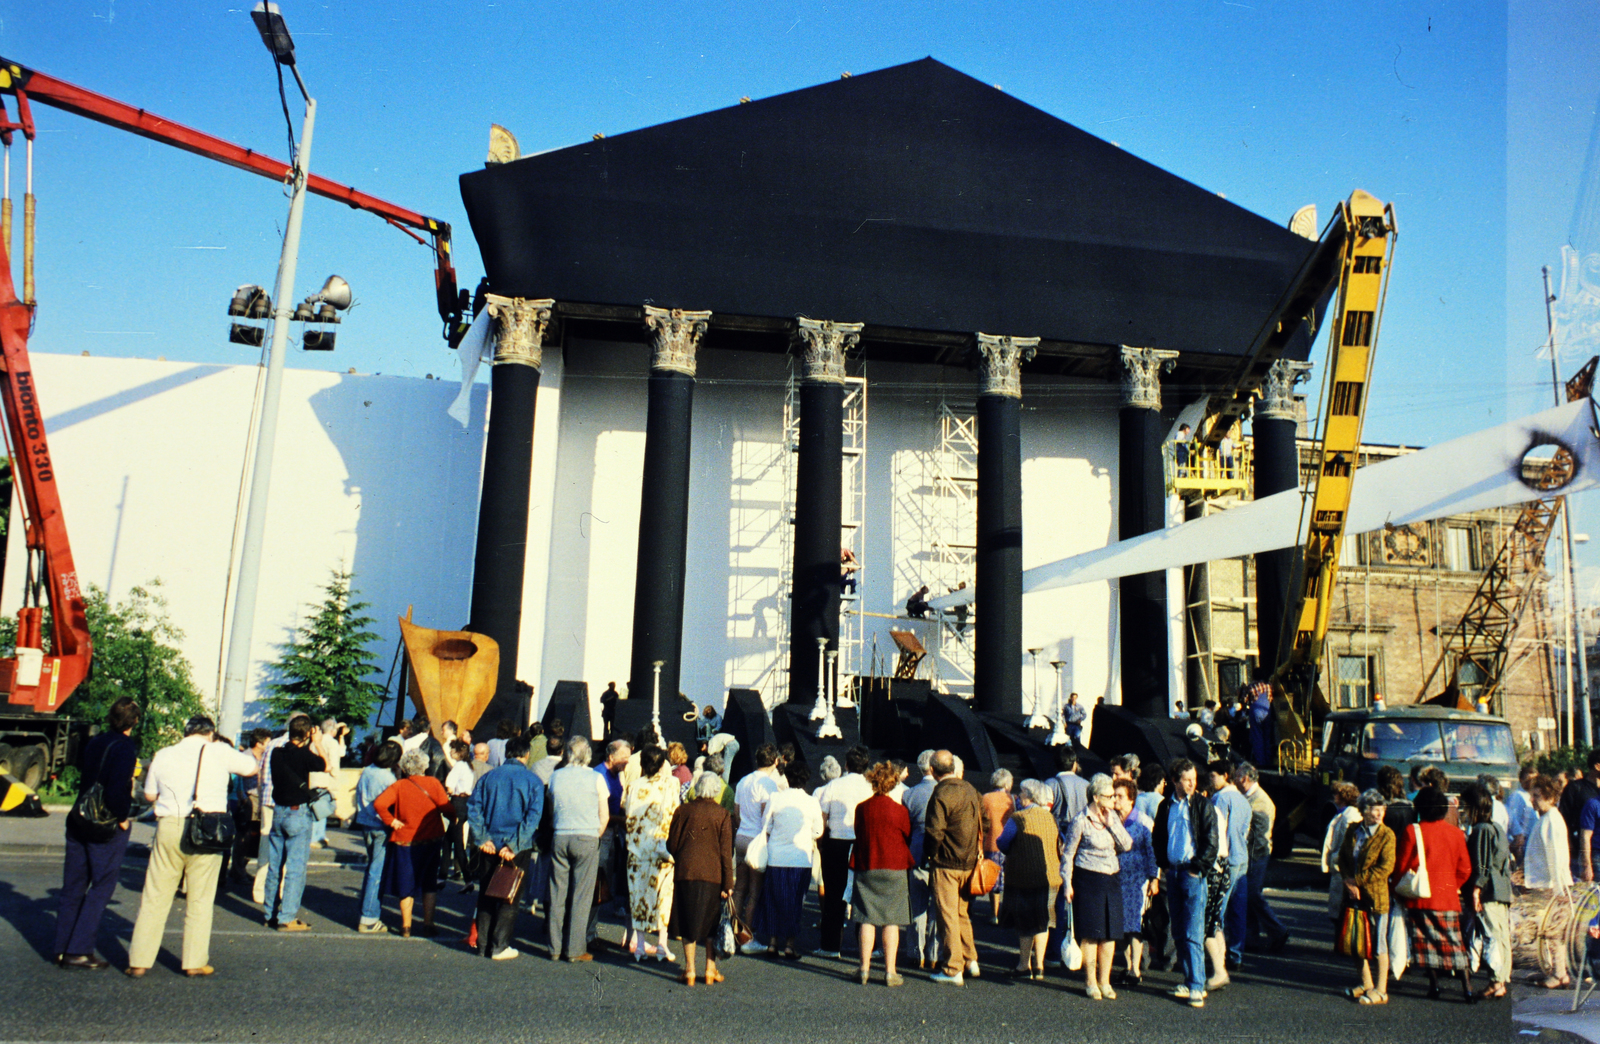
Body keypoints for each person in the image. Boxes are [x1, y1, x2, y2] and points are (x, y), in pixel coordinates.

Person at [125, 715, 259, 978]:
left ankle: (139, 961)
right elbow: (251, 768)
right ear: (210, 733)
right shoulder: (218, 750)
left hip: (169, 825)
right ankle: (193, 962)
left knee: (155, 896)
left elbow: (150, 795)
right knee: (200, 897)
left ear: (185, 732)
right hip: (208, 827)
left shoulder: (164, 754)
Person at [55, 696, 141, 970]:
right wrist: (123, 818)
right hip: (103, 824)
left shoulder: (96, 742)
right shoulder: (127, 748)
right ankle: (79, 949)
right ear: (135, 721)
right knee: (102, 886)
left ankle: (62, 947)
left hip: (78, 818)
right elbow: (117, 791)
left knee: (73, 886)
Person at [1392, 787, 1475, 1002]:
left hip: (1420, 897)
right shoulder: (1456, 833)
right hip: (1447, 897)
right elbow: (1465, 868)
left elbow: (1401, 866)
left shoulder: (1413, 831)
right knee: (1455, 944)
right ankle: (1467, 989)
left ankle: (1435, 986)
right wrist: (1451, 885)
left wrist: (1397, 890)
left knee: (1425, 944)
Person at [467, 733, 544, 960]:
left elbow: (474, 809)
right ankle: (499, 945)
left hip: (490, 842)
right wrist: (515, 844)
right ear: (527, 754)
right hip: (516, 846)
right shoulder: (533, 781)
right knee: (509, 896)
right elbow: (533, 817)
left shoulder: (488, 777)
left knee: (487, 893)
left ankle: (482, 945)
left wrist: (482, 838)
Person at [1152, 758, 1218, 1009]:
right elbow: (1157, 837)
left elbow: (1211, 842)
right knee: (1178, 930)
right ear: (1175, 781)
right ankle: (1189, 980)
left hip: (1191, 874)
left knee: (1193, 931)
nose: (1192, 784)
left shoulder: (1202, 805)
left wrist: (1196, 869)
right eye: (1187, 779)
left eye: (1194, 779)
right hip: (1173, 872)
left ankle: (1197, 986)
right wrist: (1164, 865)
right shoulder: (1166, 806)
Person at [1061, 774, 1134, 1000]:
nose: (1113, 800)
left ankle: (1105, 980)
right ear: (1095, 796)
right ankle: (1090, 981)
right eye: (1109, 796)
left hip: (1111, 879)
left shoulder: (1113, 817)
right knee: (1091, 935)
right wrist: (1067, 884)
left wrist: (1112, 825)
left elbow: (1127, 845)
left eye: (1114, 796)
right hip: (1087, 879)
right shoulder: (1080, 820)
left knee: (1110, 935)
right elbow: (1068, 855)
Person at [373, 747, 453, 937]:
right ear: (425, 765)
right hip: (431, 839)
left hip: (405, 840)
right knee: (429, 883)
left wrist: (391, 821)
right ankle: (428, 923)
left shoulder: (399, 785)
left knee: (405, 884)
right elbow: (448, 810)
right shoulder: (433, 783)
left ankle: (406, 926)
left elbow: (379, 804)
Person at [850, 760, 914, 986]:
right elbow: (907, 835)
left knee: (866, 918)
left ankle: (864, 969)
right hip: (894, 866)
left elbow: (858, 832)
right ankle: (890, 971)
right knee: (891, 920)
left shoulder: (862, 808)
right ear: (894, 783)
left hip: (868, 864)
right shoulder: (900, 811)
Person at [668, 771, 735, 986]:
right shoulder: (723, 814)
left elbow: (672, 844)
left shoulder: (682, 810)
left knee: (687, 920)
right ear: (716, 791)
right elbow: (726, 852)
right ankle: (710, 969)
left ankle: (689, 970)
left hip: (686, 872)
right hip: (713, 875)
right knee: (711, 924)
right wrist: (728, 883)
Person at [547, 735, 609, 962]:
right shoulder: (596, 778)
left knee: (557, 893)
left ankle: (554, 947)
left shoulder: (556, 776)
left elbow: (552, 807)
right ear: (588, 756)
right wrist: (596, 834)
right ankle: (574, 949)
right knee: (581, 896)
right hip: (587, 836)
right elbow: (604, 814)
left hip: (561, 834)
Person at [261, 715, 327, 932]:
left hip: (278, 811)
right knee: (295, 868)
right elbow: (325, 765)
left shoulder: (276, 753)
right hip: (297, 813)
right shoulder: (305, 755)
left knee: (275, 866)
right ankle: (287, 917)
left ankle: (270, 913)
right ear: (307, 733)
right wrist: (317, 742)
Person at [924, 749, 982, 986]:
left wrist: (929, 853)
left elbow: (934, 831)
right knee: (961, 912)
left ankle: (952, 968)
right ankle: (970, 959)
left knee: (947, 914)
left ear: (933, 771)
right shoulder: (970, 789)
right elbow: (984, 820)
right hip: (969, 861)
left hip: (946, 861)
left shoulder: (940, 793)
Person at [756, 760, 824, 959]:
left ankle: (772, 943)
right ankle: (789, 945)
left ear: (787, 777)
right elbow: (818, 831)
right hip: (800, 859)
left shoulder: (776, 798)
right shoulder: (811, 801)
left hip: (776, 857)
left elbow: (766, 826)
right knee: (795, 902)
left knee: (773, 900)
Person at [1337, 789, 1396, 1006]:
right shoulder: (1353, 830)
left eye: (1381, 809)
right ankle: (1366, 983)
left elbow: (1385, 868)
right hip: (1353, 894)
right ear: (1363, 810)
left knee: (1379, 941)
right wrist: (1346, 880)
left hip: (1376, 896)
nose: (1378, 813)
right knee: (1356, 941)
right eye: (1373, 809)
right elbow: (1342, 858)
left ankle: (1381, 990)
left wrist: (1356, 881)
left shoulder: (1387, 835)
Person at [815, 746, 874, 957]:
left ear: (846, 765)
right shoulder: (871, 787)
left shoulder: (834, 786)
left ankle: (830, 946)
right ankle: (867, 946)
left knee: (834, 895)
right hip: (862, 843)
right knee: (864, 895)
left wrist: (821, 844)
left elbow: (823, 818)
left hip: (836, 842)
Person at [624, 745, 681, 962]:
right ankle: (662, 945)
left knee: (638, 895)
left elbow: (628, 811)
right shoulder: (671, 783)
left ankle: (639, 944)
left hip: (637, 848)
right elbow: (674, 811)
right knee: (663, 896)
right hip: (662, 847)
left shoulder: (633, 786)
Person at [999, 778, 1060, 981]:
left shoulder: (1018, 818)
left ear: (1029, 796)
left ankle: (1024, 965)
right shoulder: (1050, 817)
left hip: (1023, 876)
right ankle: (1040, 965)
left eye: (1021, 793)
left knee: (1025, 923)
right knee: (1043, 921)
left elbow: (1003, 842)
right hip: (1050, 876)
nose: (1018, 797)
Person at [1231, 761, 1289, 954]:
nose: (1233, 779)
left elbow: (1260, 838)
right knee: (1246, 895)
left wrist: (1249, 859)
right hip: (1250, 855)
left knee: (1252, 894)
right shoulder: (1248, 797)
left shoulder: (1261, 803)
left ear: (1244, 779)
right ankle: (1251, 938)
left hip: (1256, 856)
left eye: (1236, 776)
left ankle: (1278, 930)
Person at [732, 743, 784, 954]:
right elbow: (767, 816)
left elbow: (736, 812)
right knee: (755, 891)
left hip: (741, 835)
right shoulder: (769, 785)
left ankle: (733, 932)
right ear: (775, 761)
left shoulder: (744, 781)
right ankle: (747, 938)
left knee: (739, 887)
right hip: (757, 839)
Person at [1462, 783, 1510, 1000]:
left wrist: (1476, 890)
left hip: (1488, 890)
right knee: (1500, 936)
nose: (1463, 811)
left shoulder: (1481, 830)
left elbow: (1482, 864)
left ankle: (1496, 981)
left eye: (1465, 807)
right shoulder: (1497, 828)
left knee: (1491, 935)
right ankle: (1500, 980)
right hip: (1501, 888)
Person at [1521, 775, 1571, 988]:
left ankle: (1559, 974)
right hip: (1545, 883)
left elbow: (1557, 858)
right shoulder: (1545, 818)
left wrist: (1559, 889)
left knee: (1552, 932)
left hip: (1551, 886)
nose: (1532, 800)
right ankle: (1554, 971)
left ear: (1549, 797)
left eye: (1537, 796)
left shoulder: (1551, 819)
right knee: (1548, 931)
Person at [1111, 777, 1157, 986]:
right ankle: (1128, 965)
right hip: (1116, 879)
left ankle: (1135, 970)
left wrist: (1154, 878)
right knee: (1120, 926)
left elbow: (1152, 852)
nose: (1115, 800)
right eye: (1114, 796)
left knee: (1134, 926)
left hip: (1137, 881)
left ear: (1131, 800)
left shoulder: (1143, 822)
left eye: (1120, 796)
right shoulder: (1111, 819)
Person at [352, 740, 402, 933]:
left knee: (372, 867)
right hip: (381, 825)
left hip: (365, 821)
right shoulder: (387, 779)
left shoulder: (367, 771)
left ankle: (367, 909)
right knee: (377, 871)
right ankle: (369, 916)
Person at [1208, 760, 1251, 981]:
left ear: (1225, 775)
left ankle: (1219, 956)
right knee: (1238, 908)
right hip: (1242, 857)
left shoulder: (1220, 798)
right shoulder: (1244, 800)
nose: (1210, 780)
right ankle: (1236, 954)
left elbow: (1217, 832)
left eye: (1213, 776)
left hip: (1226, 859)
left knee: (1219, 909)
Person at [903, 749, 941, 969]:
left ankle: (916, 952)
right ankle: (935, 953)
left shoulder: (910, 794)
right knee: (937, 908)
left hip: (916, 854)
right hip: (940, 857)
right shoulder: (944, 790)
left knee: (917, 908)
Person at [1322, 783, 1363, 923]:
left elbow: (1347, 843)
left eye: (1336, 794)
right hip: (1338, 865)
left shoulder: (1349, 815)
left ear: (1345, 796)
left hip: (1341, 867)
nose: (1334, 796)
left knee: (1339, 911)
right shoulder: (1343, 813)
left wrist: (1335, 858)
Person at [443, 738, 476, 879]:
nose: (450, 752)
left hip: (457, 801)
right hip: (466, 801)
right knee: (448, 839)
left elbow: (449, 786)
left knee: (457, 841)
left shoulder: (459, 766)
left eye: (453, 749)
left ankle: (467, 875)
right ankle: (442, 873)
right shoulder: (469, 766)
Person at [1506, 762, 1537, 863]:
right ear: (1521, 780)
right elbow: (1511, 824)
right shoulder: (1517, 797)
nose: (1531, 782)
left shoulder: (1535, 796)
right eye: (1528, 780)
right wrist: (1516, 848)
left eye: (1534, 779)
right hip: (1523, 849)